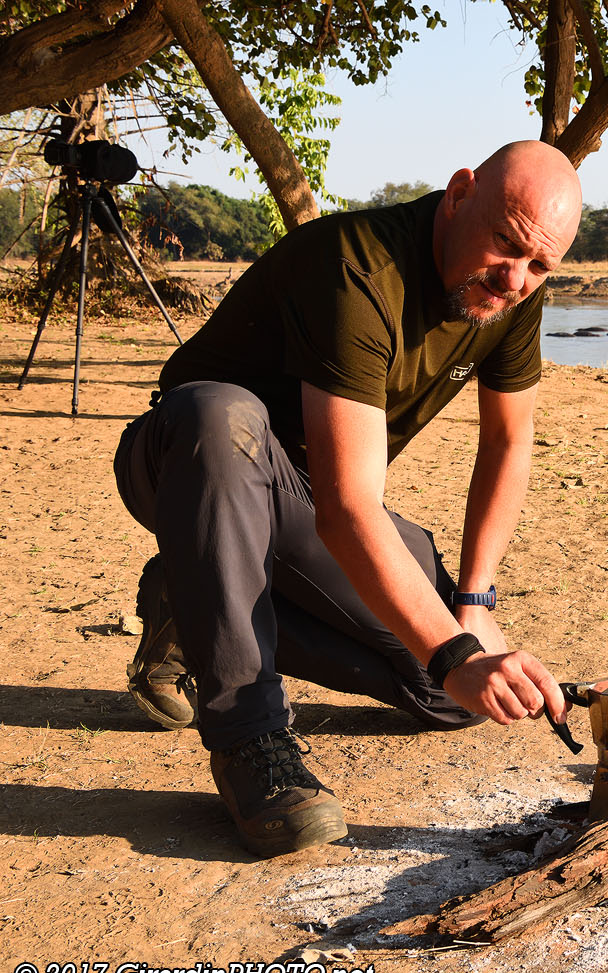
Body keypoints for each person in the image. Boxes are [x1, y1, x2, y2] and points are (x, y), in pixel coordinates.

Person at [112, 140, 583, 858]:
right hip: (193, 464)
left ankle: (189, 595)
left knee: (449, 695)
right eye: (505, 243)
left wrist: (472, 609)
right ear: (460, 195)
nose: (515, 276)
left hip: (299, 505)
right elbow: (347, 506)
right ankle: (250, 738)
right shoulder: (357, 265)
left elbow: (507, 445)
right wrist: (455, 650)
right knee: (223, 415)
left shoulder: (515, 290)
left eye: (540, 264)